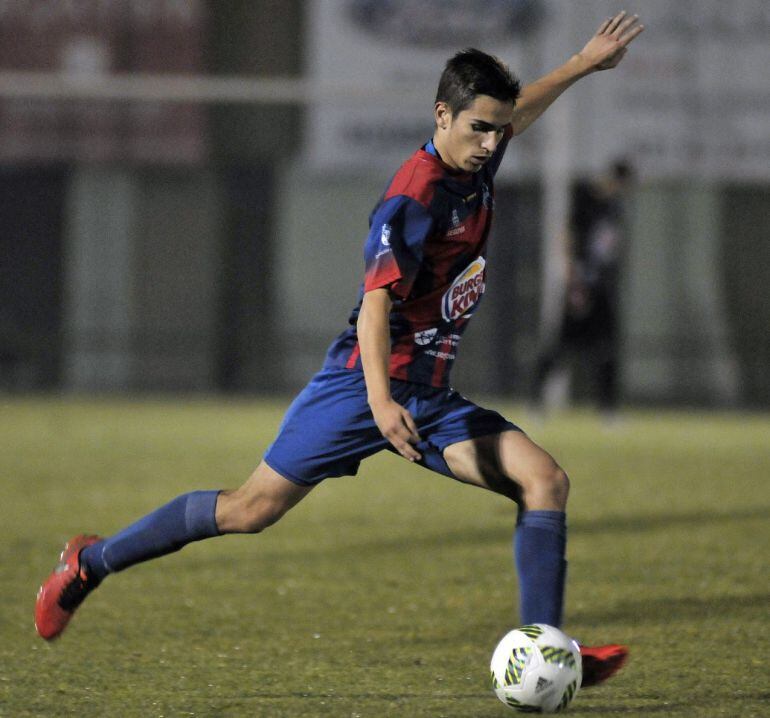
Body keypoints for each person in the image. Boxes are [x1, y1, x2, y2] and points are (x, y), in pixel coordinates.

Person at [36, 12, 644, 688]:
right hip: (362, 387)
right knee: (250, 510)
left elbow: (517, 110)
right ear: (441, 115)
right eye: (479, 127)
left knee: (545, 480)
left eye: (498, 129)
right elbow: (377, 304)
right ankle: (89, 563)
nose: (492, 140)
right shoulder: (412, 197)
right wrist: (381, 402)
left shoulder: (478, 153)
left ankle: (545, 646)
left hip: (426, 399)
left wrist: (583, 63)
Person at [532, 159, 635, 419]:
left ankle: (608, 409)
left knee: (606, 347)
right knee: (560, 346)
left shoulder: (615, 207)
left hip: (602, 287)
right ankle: (536, 402)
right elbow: (566, 235)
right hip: (580, 284)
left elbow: (610, 249)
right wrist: (572, 277)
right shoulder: (585, 197)